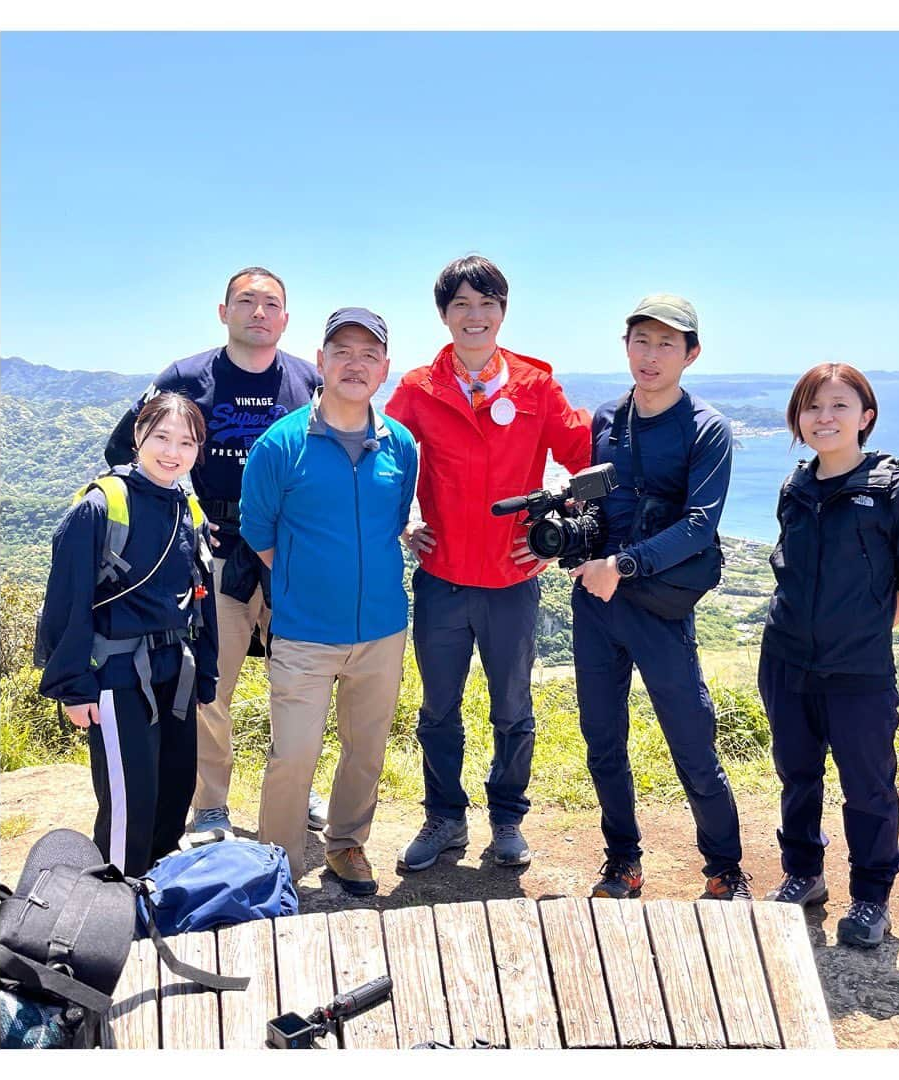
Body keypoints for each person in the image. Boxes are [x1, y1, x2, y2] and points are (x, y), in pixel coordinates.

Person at [385, 255, 591, 871]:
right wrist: (404, 522)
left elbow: (586, 456)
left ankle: (506, 818)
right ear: (444, 316)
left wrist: (569, 531)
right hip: (442, 577)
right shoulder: (420, 388)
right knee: (438, 709)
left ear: (503, 311)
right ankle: (444, 819)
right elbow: (383, 459)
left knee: (512, 708)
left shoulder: (536, 386)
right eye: (461, 306)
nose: (475, 317)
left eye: (487, 304)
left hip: (512, 579)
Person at [105, 267, 323, 835]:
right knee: (211, 685)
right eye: (245, 301)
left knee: (299, 683)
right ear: (223, 311)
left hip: (291, 556)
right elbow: (124, 453)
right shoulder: (184, 377)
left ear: (285, 319)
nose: (258, 311)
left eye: (270, 303)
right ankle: (210, 804)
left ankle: (296, 794)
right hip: (214, 554)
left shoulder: (308, 380)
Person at [569, 295, 752, 901]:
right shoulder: (606, 420)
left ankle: (725, 868)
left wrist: (623, 564)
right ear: (626, 346)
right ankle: (622, 860)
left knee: (691, 738)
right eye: (641, 341)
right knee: (602, 737)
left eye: (666, 344)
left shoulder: (706, 429)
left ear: (691, 354)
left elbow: (701, 524)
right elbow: (599, 505)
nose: (650, 356)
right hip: (597, 602)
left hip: (658, 606)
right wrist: (571, 531)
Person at [758, 362, 899, 948]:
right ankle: (803, 875)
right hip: (786, 659)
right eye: (812, 407)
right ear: (798, 419)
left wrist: (863, 629)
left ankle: (870, 899)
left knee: (867, 785)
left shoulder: (894, 489)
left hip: (858, 670)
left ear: (865, 416)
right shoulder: (796, 485)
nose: (824, 417)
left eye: (838, 406)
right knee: (797, 774)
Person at [239, 307, 417, 893]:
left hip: (383, 630)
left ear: (384, 369)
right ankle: (278, 865)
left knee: (365, 752)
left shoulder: (401, 445)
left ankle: (346, 845)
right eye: (342, 351)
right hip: (304, 632)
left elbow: (394, 522)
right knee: (293, 754)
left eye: (369, 355)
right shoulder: (280, 444)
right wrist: (307, 583)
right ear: (320, 361)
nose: (355, 364)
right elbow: (258, 533)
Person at [39, 393, 219, 877]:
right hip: (117, 676)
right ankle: (116, 905)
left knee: (174, 789)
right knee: (129, 800)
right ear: (137, 436)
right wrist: (73, 688)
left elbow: (201, 600)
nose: (172, 451)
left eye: (187, 442)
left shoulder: (188, 509)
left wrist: (207, 674)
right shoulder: (101, 507)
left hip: (174, 669)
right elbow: (66, 601)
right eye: (161, 436)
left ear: (198, 450)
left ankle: (155, 891)